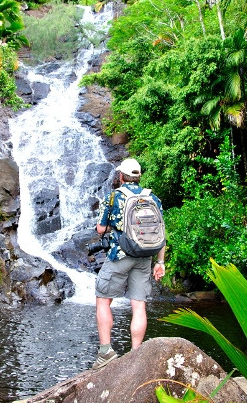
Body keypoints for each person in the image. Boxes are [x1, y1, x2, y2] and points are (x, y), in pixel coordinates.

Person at [92, 158, 166, 370]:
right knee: (138, 304)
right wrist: (160, 262)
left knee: (103, 299)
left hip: (119, 255)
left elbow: (100, 228)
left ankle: (106, 352)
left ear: (121, 177)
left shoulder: (114, 196)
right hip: (145, 256)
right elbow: (161, 231)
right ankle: (136, 354)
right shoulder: (153, 197)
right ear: (139, 177)